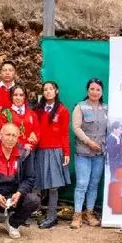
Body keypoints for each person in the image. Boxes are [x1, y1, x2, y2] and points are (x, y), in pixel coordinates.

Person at [33, 81, 71, 229]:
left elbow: (64, 134)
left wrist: (66, 152)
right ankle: (36, 213)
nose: (48, 91)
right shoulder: (37, 110)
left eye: (51, 89)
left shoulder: (62, 110)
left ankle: (51, 216)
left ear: (56, 91)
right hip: (40, 150)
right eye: (45, 89)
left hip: (55, 151)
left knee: (53, 186)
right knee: (37, 184)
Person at [70, 78, 107, 228]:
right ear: (87, 91)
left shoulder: (106, 108)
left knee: (94, 184)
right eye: (92, 89)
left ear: (101, 92)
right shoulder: (80, 107)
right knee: (82, 184)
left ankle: (89, 212)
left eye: (98, 89)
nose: (95, 92)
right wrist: (88, 142)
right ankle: (77, 214)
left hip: (100, 154)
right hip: (84, 153)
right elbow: (76, 127)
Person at [0, 86, 39, 151]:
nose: (18, 98)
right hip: (11, 151)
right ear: (11, 97)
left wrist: (30, 145)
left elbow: (37, 132)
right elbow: (4, 133)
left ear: (25, 97)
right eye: (15, 95)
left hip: (30, 149)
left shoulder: (32, 114)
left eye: (21, 95)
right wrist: (22, 145)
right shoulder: (5, 114)